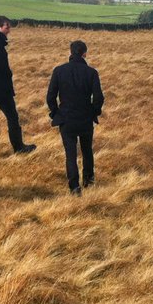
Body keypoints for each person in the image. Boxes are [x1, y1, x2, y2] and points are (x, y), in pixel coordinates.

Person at [46, 39, 104, 195]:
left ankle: (74, 187)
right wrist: (94, 112)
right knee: (87, 150)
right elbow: (99, 98)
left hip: (66, 119)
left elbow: (50, 97)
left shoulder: (59, 71)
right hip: (85, 118)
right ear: (85, 53)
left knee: (70, 154)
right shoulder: (92, 73)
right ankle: (89, 181)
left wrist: (56, 113)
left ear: (70, 52)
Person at [0, 16, 36, 157]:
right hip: (2, 89)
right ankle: (18, 147)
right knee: (13, 118)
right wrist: (8, 74)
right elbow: (1, 67)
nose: (9, 29)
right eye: (6, 26)